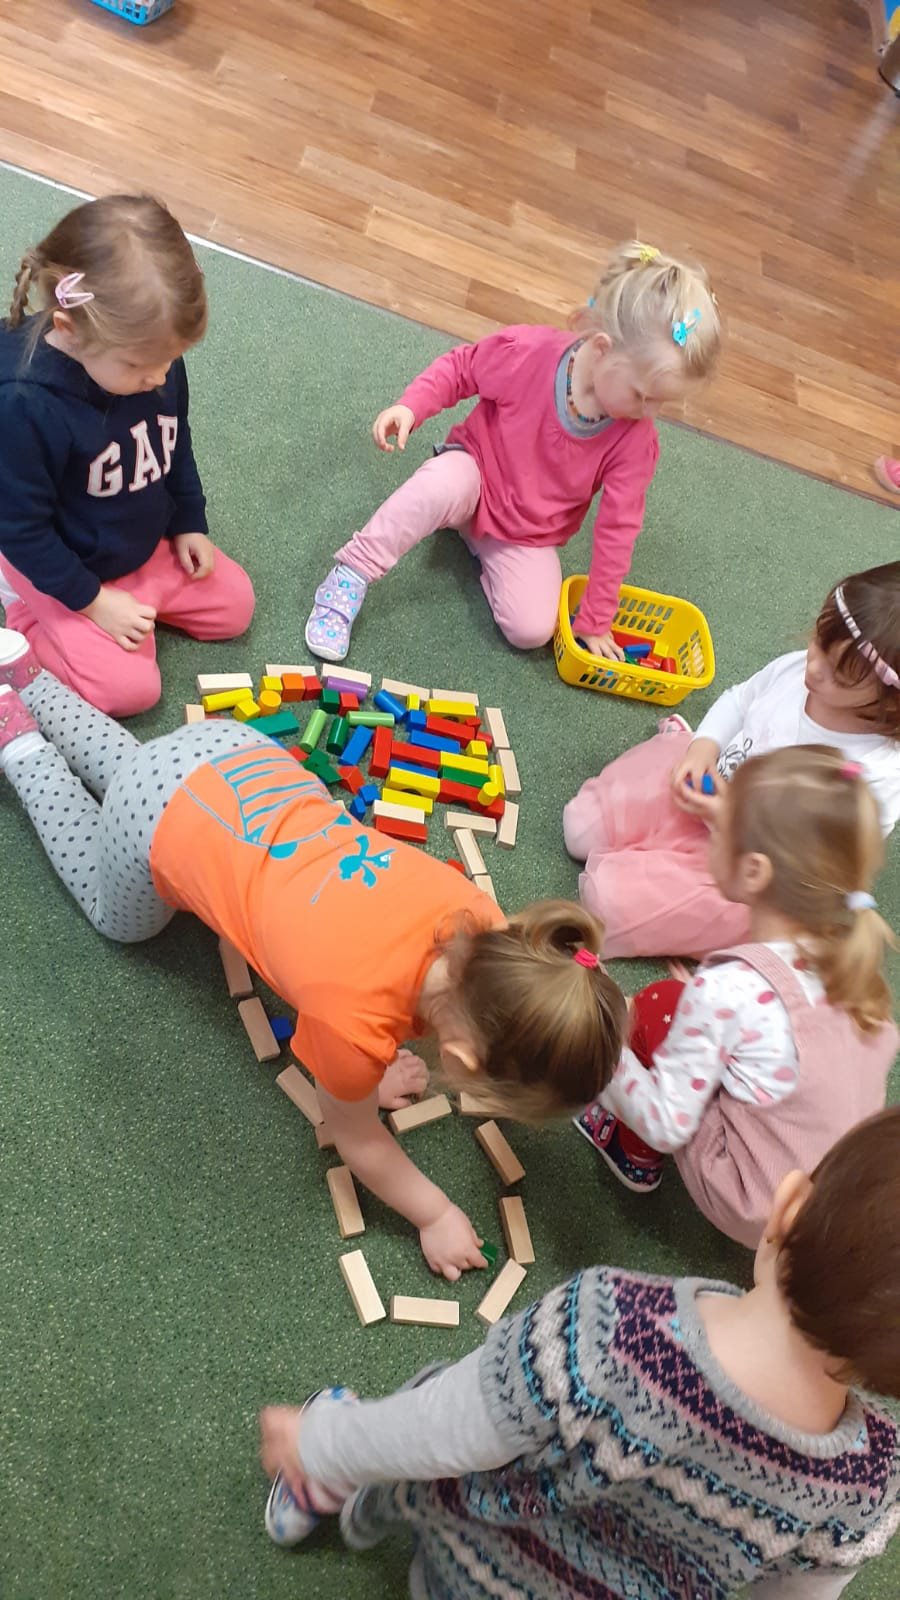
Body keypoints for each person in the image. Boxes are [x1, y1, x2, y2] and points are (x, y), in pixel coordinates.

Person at [0, 629, 626, 1280]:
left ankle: (30, 677)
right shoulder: (352, 1032)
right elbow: (357, 1138)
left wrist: (375, 1077)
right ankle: (20, 746)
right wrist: (435, 1214)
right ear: (463, 1060)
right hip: (154, 816)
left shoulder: (482, 917)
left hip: (238, 755)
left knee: (142, 765)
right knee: (119, 917)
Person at [258, 1108, 900, 1600]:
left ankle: (326, 1480)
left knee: (443, 1399)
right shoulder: (871, 1486)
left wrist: (323, 1444)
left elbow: (445, 1430)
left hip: (473, 1577)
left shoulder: (611, 1329)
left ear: (787, 1208)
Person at [304, 242, 720, 663]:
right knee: (436, 487)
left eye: (661, 403)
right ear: (601, 349)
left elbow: (618, 530)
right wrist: (412, 406)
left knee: (532, 630)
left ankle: (477, 542)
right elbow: (461, 368)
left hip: (525, 533)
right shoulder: (527, 353)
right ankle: (352, 573)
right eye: (643, 396)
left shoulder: (636, 441)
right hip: (475, 473)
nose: (650, 413)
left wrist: (596, 619)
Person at [574, 746, 897, 1242]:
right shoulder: (851, 961)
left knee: (660, 1008)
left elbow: (666, 1123)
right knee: (694, 1014)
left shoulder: (728, 990)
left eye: (720, 829)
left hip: (753, 1204)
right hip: (831, 1203)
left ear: (754, 872)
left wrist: (601, 1047)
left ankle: (631, 1152)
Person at [564, 560, 900, 958]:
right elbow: (740, 700)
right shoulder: (798, 670)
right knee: (580, 827)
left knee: (605, 904)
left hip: (749, 870)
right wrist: (704, 746)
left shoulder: (874, 775)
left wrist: (730, 818)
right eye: (819, 641)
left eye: (839, 674)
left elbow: (815, 870)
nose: (813, 665)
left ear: (890, 700)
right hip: (707, 786)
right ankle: (681, 742)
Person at [0, 194, 255, 718]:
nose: (159, 377)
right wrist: (94, 602)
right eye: (141, 365)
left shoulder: (151, 353)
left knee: (236, 606)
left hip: (131, 540)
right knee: (131, 692)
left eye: (171, 359)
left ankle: (135, 599)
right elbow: (21, 530)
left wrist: (189, 521)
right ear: (70, 330)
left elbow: (174, 441)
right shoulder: (24, 403)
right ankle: (25, 615)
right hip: (57, 558)